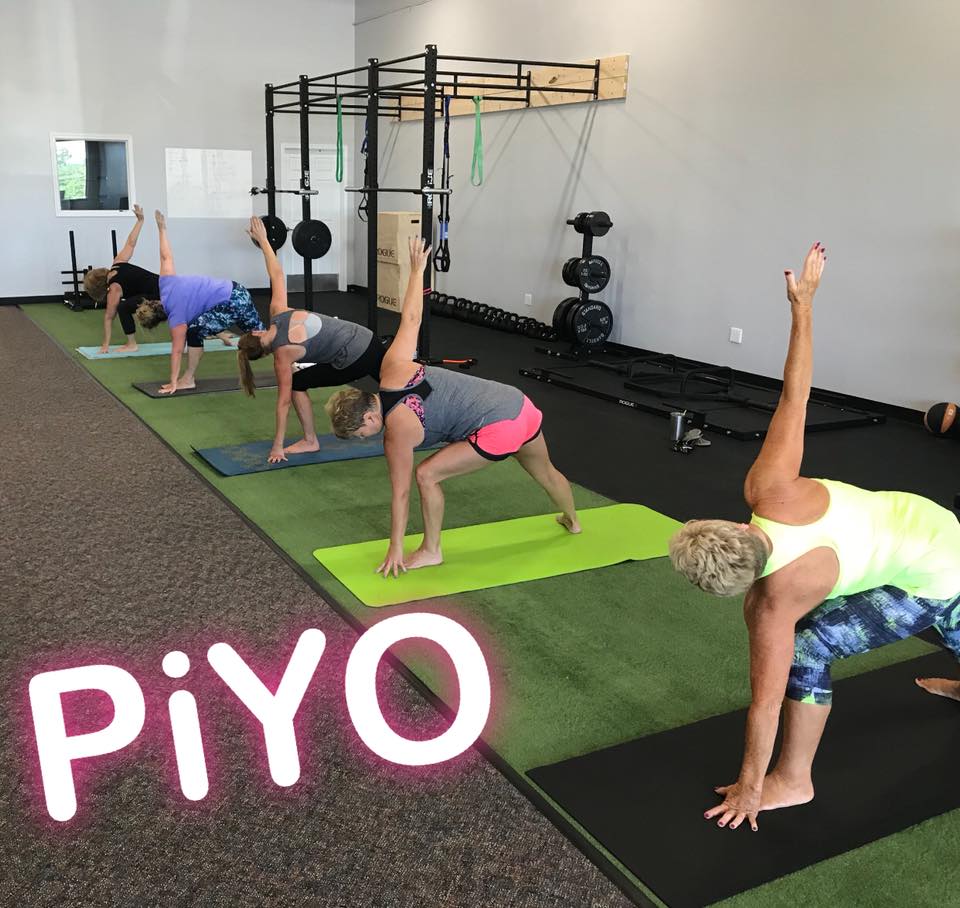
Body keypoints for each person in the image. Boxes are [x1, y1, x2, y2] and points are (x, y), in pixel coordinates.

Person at [668, 242, 960, 832]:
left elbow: (766, 704)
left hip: (933, 566)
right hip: (929, 519)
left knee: (809, 647)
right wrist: (802, 307)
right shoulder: (767, 488)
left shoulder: (772, 604)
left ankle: (794, 781)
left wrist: (752, 786)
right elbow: (794, 396)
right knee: (946, 595)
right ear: (732, 526)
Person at [325, 237, 580, 578]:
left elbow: (401, 494)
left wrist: (395, 548)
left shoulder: (396, 432)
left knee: (426, 475)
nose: (364, 438)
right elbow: (411, 319)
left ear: (369, 417)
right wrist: (417, 270)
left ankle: (432, 551)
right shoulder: (392, 367)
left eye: (361, 434)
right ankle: (573, 520)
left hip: (498, 428)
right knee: (546, 472)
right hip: (518, 403)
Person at [237, 217, 386, 464]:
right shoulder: (278, 312)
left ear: (262, 354)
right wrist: (263, 240)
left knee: (297, 383)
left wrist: (277, 447)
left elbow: (283, 403)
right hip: (366, 337)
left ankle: (310, 440)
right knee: (398, 384)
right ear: (257, 332)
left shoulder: (282, 356)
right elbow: (277, 274)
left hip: (355, 357)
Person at [134, 211, 263, 395]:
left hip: (231, 303)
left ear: (159, 321)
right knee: (262, 335)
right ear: (153, 302)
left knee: (194, 332)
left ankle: (188, 379)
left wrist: (173, 382)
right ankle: (290, 362)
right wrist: (161, 228)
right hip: (238, 290)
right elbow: (165, 257)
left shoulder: (177, 319)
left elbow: (177, 351)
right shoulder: (166, 284)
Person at [81, 204, 159, 354]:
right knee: (128, 304)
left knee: (123, 308)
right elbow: (131, 242)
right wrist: (140, 221)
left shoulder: (114, 288)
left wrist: (105, 345)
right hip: (165, 282)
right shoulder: (118, 262)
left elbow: (109, 317)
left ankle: (132, 344)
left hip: (160, 293)